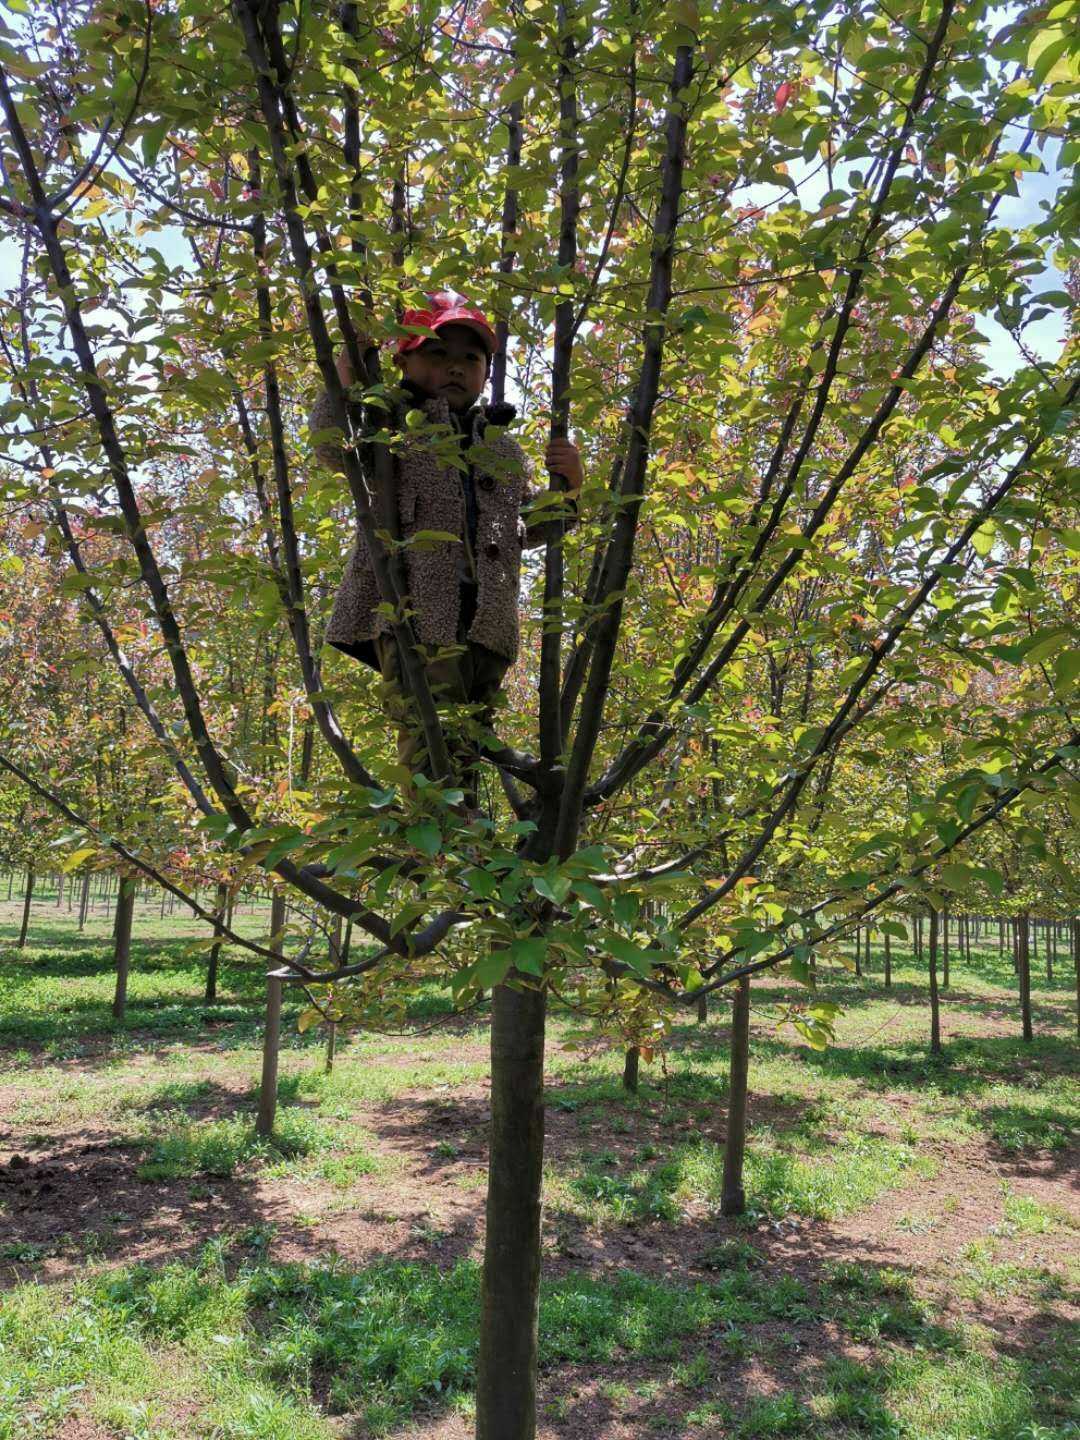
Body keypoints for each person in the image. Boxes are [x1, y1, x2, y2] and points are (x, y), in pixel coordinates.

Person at [309, 292, 584, 803]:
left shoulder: (500, 447)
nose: (455, 368)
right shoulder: (392, 422)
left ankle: (465, 851)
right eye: (437, 354)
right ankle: (437, 854)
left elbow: (521, 528)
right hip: (417, 616)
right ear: (405, 360)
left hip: (487, 628)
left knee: (468, 745)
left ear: (486, 371)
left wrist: (569, 492)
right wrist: (348, 362)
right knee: (431, 742)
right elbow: (333, 444)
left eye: (470, 359)